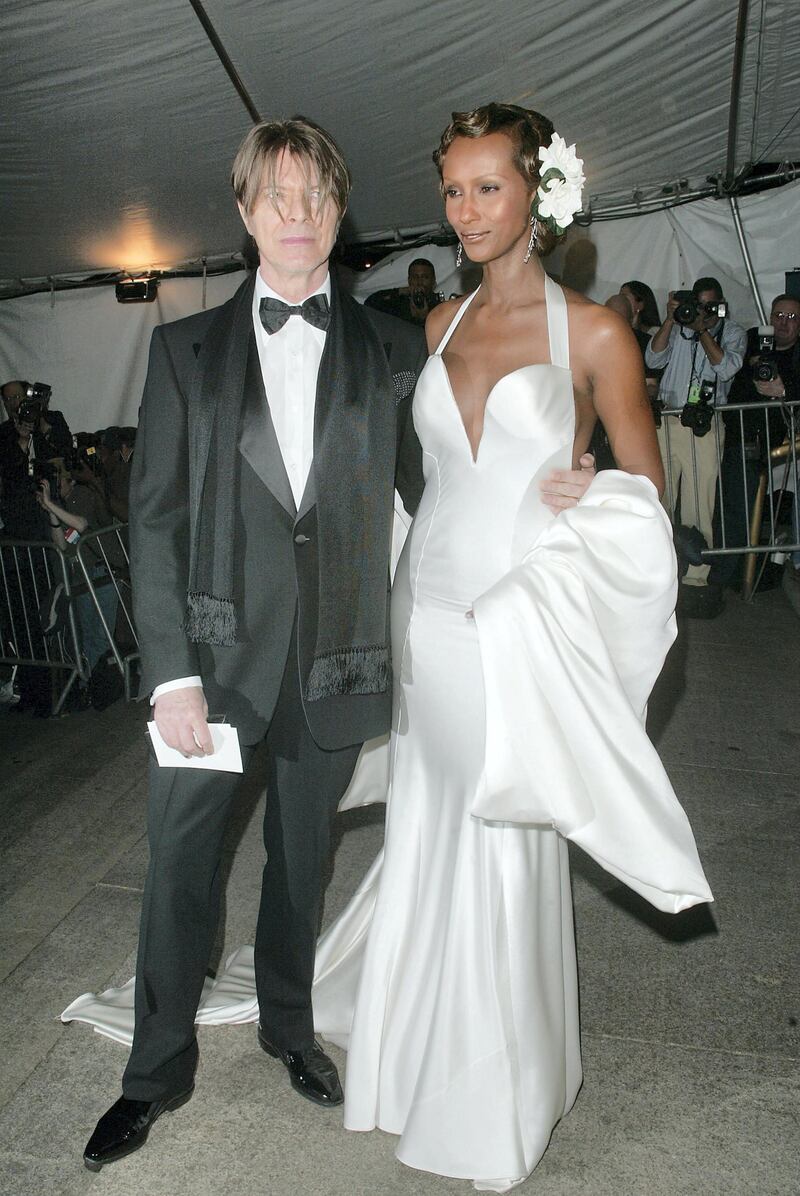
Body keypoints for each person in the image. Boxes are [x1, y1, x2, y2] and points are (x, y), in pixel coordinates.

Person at [81, 113, 593, 1172]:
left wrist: (554, 490)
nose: (297, 215)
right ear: (243, 212)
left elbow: (442, 489)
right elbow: (158, 517)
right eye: (276, 195)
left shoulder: (394, 349)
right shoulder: (183, 352)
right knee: (180, 868)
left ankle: (285, 1025)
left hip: (335, 660)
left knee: (298, 866)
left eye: (315, 196)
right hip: (213, 667)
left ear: (337, 209)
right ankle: (152, 1072)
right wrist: (170, 669)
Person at [312, 103, 711, 1191]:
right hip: (424, 612)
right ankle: (410, 1057)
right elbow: (428, 480)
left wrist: (597, 489)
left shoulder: (592, 333)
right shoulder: (433, 323)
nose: (466, 209)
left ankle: (493, 1093)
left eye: (487, 186)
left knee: (499, 826)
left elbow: (646, 496)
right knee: (432, 819)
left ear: (536, 194)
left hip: (513, 617)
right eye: (452, 189)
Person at [645, 277, 747, 615]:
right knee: (660, 499)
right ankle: (655, 573)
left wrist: (703, 330)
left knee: (699, 502)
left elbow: (726, 367)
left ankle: (697, 579)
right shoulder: (677, 326)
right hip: (668, 421)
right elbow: (653, 358)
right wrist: (673, 319)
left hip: (704, 426)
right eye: (695, 304)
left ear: (719, 304)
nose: (698, 311)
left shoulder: (731, 331)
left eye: (706, 305)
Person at [714, 293, 800, 589]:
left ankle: (728, 577)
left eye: (791, 318)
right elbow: (732, 380)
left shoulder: (798, 357)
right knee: (726, 508)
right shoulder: (752, 339)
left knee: (742, 511)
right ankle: (726, 574)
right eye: (778, 315)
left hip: (774, 448)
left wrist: (783, 391)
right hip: (733, 435)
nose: (783, 323)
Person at [365, 257, 443, 326]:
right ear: (409, 280)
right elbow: (369, 304)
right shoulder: (399, 303)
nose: (419, 282)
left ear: (433, 280)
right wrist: (400, 291)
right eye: (415, 277)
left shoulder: (440, 307)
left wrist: (424, 319)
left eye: (425, 277)